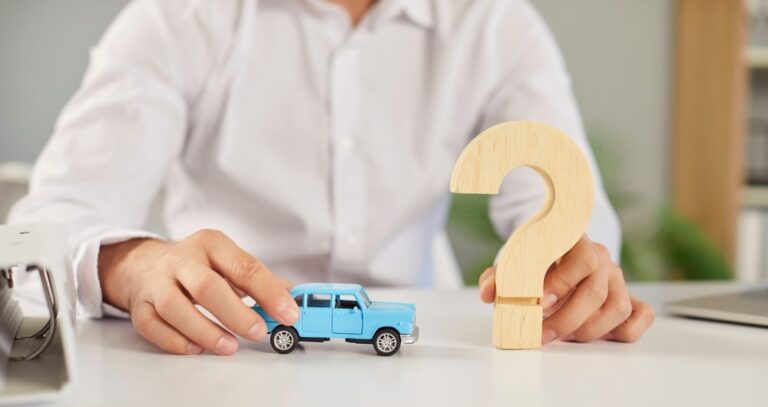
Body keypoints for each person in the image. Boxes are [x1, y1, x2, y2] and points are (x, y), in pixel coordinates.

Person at [9, 0, 654, 356]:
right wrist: (133, 265)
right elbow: (48, 221)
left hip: (435, 386)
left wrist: (577, 273)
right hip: (223, 356)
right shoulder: (179, 17)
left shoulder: (498, 25)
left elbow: (569, 217)